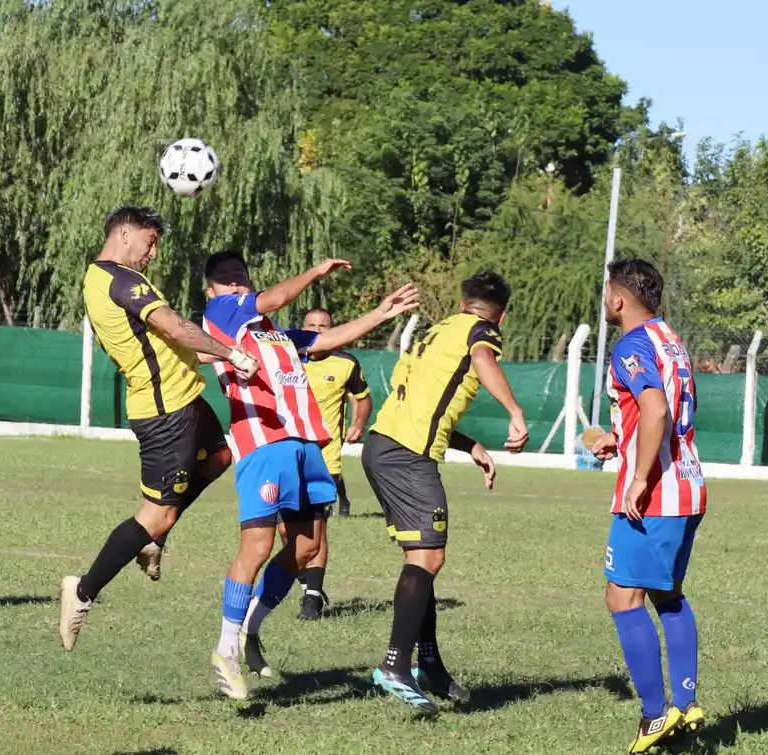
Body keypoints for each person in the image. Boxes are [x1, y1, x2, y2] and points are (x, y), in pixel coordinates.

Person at [201, 250, 418, 699]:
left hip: (305, 445)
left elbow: (325, 340)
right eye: (225, 279)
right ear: (212, 292)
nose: (235, 284)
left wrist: (382, 312)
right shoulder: (222, 315)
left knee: (305, 548)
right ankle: (225, 647)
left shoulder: (275, 336)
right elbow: (274, 298)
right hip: (265, 445)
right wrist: (316, 271)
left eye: (240, 276)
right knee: (257, 545)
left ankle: (250, 631)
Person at [58, 206, 259, 652]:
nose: (152, 253)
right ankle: (83, 591)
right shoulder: (121, 279)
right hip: (166, 411)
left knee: (220, 457)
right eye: (149, 242)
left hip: (183, 397)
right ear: (125, 233)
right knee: (157, 513)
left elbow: (163, 341)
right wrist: (231, 354)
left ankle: (155, 539)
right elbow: (174, 326)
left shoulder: (104, 278)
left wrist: (210, 354)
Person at [363, 270, 527, 716]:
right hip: (406, 455)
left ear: (462, 302)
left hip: (383, 445)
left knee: (420, 558)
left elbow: (426, 402)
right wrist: (514, 411)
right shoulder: (481, 333)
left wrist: (470, 443)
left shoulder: (439, 331)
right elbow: (482, 359)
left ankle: (429, 664)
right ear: (502, 317)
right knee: (428, 559)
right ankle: (395, 665)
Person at [587, 260, 706, 753]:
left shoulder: (630, 345)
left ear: (619, 298)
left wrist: (638, 477)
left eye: (605, 292)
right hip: (687, 485)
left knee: (622, 598)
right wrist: (616, 439)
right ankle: (686, 702)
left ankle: (656, 716)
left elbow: (656, 408)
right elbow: (657, 414)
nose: (604, 301)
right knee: (667, 594)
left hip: (655, 493)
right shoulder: (670, 339)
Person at [295, 306, 374, 619]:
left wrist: (359, 421)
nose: (317, 330)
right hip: (284, 456)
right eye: (311, 325)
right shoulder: (286, 357)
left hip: (323, 459)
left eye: (323, 326)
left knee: (316, 530)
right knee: (288, 535)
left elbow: (364, 398)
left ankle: (311, 601)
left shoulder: (345, 363)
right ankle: (308, 584)